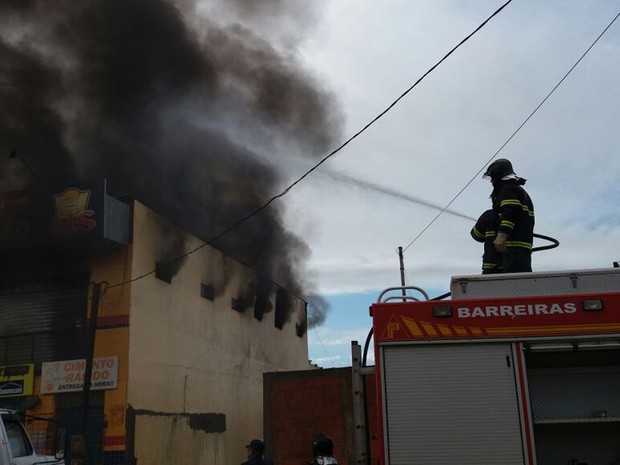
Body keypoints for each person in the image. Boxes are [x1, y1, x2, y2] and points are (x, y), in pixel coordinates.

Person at [482, 158, 535, 272]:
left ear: (498, 175)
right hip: (519, 248)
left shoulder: (508, 189)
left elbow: (510, 212)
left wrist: (502, 234)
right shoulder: (516, 189)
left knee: (515, 284)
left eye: (492, 178)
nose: (491, 182)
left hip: (514, 248)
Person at [470, 209, 503, 274]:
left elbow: (476, 235)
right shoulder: (523, 215)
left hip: (492, 268)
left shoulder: (488, 215)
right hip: (518, 267)